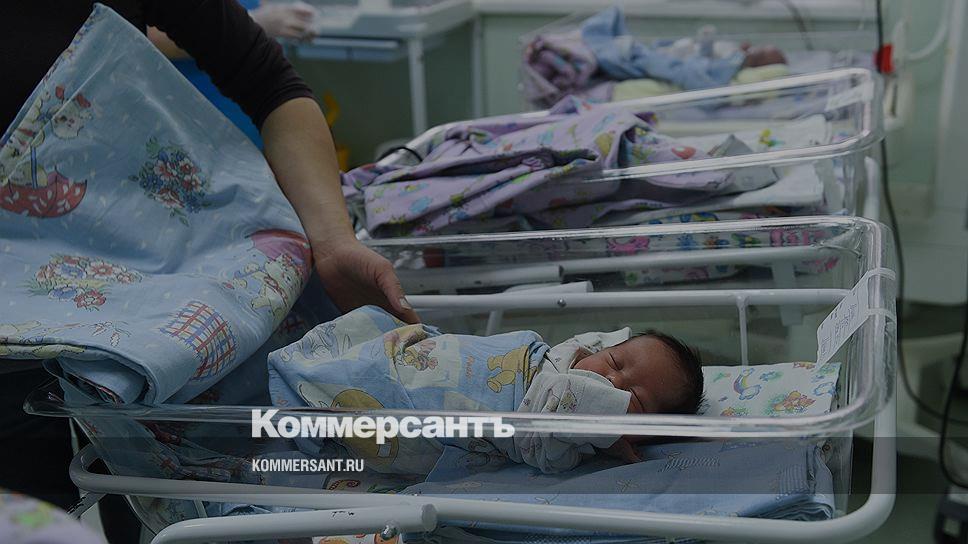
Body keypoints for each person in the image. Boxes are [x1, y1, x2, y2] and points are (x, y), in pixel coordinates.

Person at [1, 2, 417, 541]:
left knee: (176, 502)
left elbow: (271, 83)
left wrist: (334, 242)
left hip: (167, 302)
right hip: (25, 346)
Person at [268, 306, 705, 475]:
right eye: (616, 362)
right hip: (460, 361)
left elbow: (545, 439)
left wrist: (607, 435)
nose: (611, 383)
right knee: (377, 347)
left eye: (634, 399)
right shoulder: (567, 354)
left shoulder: (567, 445)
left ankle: (320, 402)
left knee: (370, 412)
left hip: (440, 422)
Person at [147, 1, 321, 148]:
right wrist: (255, 22)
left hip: (249, 110)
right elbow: (148, 36)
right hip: (198, 111)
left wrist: (292, 20)